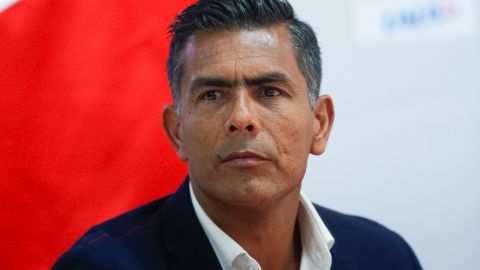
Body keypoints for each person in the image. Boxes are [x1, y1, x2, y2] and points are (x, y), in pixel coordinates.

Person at [53, 0, 422, 269]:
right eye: (212, 95)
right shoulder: (99, 265)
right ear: (177, 131)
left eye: (269, 92)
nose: (242, 118)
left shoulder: (386, 255)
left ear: (320, 123)